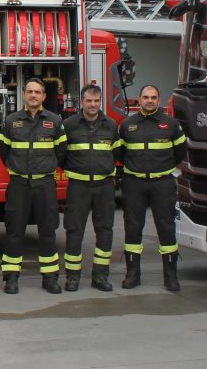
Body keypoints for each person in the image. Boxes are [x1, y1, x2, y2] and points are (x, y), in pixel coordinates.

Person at [0, 78, 68, 295]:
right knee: (14, 231)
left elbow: (61, 151)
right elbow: (3, 151)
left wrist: (45, 168)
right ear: (24, 94)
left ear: (44, 96)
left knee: (47, 231)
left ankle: (50, 278)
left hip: (45, 183)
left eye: (38, 92)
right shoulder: (11, 121)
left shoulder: (55, 122)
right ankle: (11, 277)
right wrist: (17, 168)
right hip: (19, 184)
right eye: (30, 91)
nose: (33, 95)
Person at [119, 84, 187, 291]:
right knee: (132, 228)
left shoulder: (172, 125)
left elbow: (180, 153)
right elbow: (120, 154)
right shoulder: (127, 125)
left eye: (153, 97)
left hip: (162, 183)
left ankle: (170, 276)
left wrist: (163, 169)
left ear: (159, 100)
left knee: (166, 228)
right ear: (139, 100)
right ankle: (132, 274)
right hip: (134, 183)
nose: (149, 100)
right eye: (146, 97)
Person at [60, 84, 123, 292]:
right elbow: (61, 155)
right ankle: (72, 277)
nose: (93, 105)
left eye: (96, 101)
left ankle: (101, 276)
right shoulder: (68, 125)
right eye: (89, 100)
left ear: (100, 102)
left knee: (105, 231)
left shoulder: (111, 126)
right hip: (78, 186)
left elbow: (117, 153)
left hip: (104, 186)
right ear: (82, 101)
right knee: (74, 231)